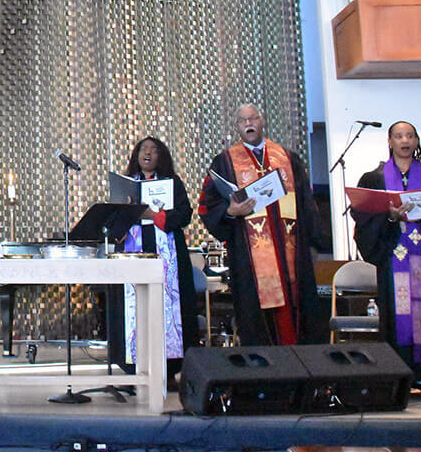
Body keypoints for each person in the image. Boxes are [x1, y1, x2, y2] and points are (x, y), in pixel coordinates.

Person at [351, 121, 421, 399]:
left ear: (417, 141)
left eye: (410, 135)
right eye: (399, 136)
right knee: (396, 314)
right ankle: (396, 380)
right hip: (393, 258)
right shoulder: (373, 179)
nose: (405, 140)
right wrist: (389, 218)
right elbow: (363, 217)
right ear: (389, 141)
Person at [198, 104, 325, 346]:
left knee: (296, 313)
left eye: (253, 118)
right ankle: (263, 379)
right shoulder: (224, 162)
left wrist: (313, 243)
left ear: (262, 121)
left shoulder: (287, 158)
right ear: (237, 126)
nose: (248, 123)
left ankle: (298, 377)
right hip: (250, 260)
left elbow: (307, 206)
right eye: (242, 120)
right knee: (256, 319)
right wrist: (229, 212)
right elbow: (207, 206)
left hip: (291, 255)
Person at [106, 136, 197, 383]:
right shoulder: (126, 185)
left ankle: (167, 370)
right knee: (134, 308)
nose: (148, 153)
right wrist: (125, 213)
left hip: (167, 257)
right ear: (137, 155)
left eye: (154, 150)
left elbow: (184, 215)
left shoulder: (172, 183)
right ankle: (135, 370)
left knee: (167, 308)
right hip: (132, 255)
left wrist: (151, 215)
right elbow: (112, 223)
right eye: (143, 149)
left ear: (161, 157)